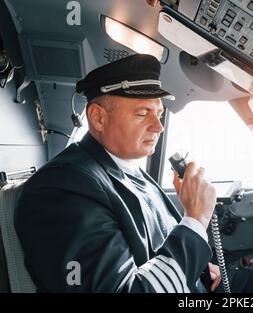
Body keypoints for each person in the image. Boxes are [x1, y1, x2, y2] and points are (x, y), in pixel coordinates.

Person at [15, 54, 221, 292]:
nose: (159, 126)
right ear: (98, 118)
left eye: (159, 114)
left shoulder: (129, 168)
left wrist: (198, 267)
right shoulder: (61, 189)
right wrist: (196, 220)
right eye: (143, 113)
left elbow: (156, 244)